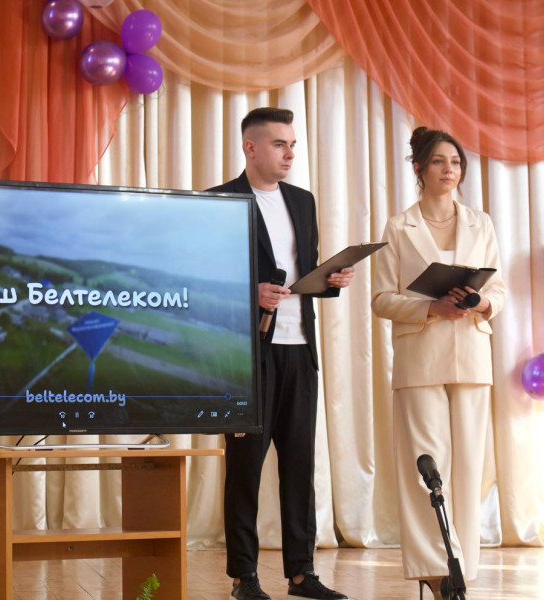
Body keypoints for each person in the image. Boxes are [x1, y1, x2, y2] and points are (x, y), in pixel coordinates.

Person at [208, 107, 353, 600]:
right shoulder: (219, 201)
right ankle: (243, 577)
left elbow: (302, 272)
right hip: (248, 353)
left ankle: (301, 574)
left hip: (300, 347)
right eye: (279, 144)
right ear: (250, 148)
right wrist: (249, 293)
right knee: (245, 468)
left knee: (299, 465)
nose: (290, 154)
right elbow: (199, 279)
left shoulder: (302, 201)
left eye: (293, 145)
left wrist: (331, 280)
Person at [371, 127, 506, 599]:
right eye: (438, 162)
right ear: (419, 169)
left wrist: (480, 302)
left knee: (468, 466)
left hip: (471, 356)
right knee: (426, 465)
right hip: (420, 359)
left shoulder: (480, 224)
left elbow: (499, 290)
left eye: (455, 162)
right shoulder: (398, 227)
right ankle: (433, 567)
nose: (450, 170)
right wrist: (431, 307)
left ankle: (461, 565)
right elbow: (381, 298)